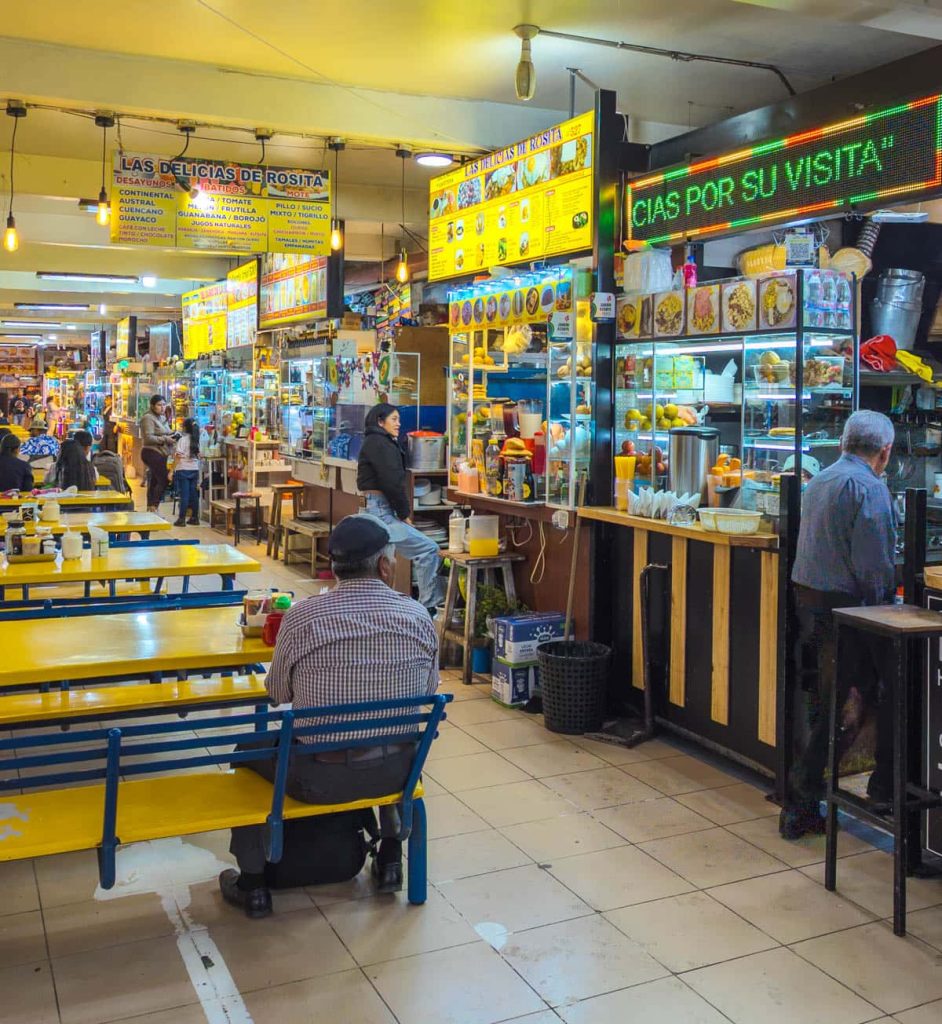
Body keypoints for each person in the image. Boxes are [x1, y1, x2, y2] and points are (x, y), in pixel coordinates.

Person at [219, 514, 439, 918]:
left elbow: (277, 694)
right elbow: (426, 694)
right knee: (390, 740)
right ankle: (390, 858)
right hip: (399, 774)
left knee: (245, 754)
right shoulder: (418, 616)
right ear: (385, 566)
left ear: (333, 566)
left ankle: (252, 884)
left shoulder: (303, 617)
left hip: (317, 778)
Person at [782, 410, 897, 840]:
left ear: (845, 442)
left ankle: (804, 803)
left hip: (809, 606)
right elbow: (873, 567)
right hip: (851, 611)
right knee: (883, 696)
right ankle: (878, 791)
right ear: (883, 453)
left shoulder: (821, 480)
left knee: (822, 706)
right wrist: (889, 604)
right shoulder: (869, 487)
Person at [356, 403, 444, 613]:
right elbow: (391, 482)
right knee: (428, 549)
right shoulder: (380, 443)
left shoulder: (375, 441)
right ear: (380, 421)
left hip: (372, 509)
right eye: (394, 419)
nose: (399, 423)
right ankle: (427, 610)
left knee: (380, 567)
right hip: (380, 512)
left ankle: (380, 612)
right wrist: (404, 513)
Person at [140, 395, 176, 512]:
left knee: (155, 480)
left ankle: (151, 508)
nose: (162, 408)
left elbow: (167, 431)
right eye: (159, 405)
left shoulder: (161, 418)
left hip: (162, 452)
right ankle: (154, 506)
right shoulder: (148, 418)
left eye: (164, 405)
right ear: (152, 406)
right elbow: (148, 438)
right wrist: (165, 439)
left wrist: (174, 435)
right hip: (152, 452)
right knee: (164, 479)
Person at [173, 417, 201, 527]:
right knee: (193, 494)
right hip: (194, 469)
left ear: (185, 428)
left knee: (184, 494)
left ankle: (181, 519)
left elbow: (178, 456)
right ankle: (195, 517)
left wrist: (171, 471)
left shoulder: (182, 440)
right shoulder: (197, 440)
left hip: (183, 469)